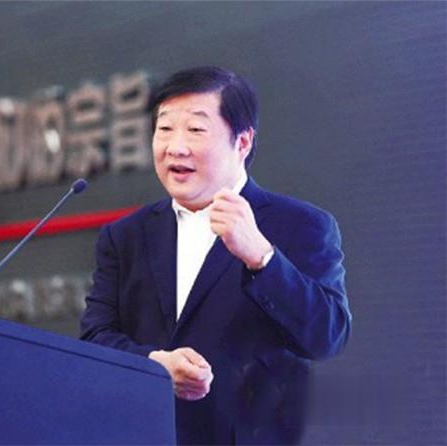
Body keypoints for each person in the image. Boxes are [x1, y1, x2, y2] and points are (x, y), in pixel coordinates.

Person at [80, 66, 352, 445]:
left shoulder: (300, 224)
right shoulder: (125, 235)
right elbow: (95, 336)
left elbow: (327, 336)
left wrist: (262, 258)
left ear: (243, 142)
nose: (175, 146)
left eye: (195, 129)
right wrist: (154, 365)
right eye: (165, 128)